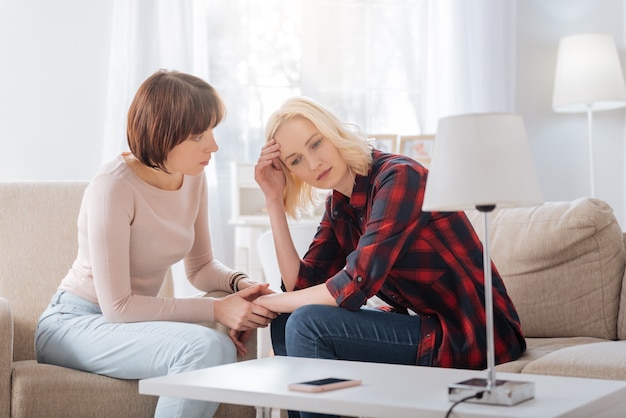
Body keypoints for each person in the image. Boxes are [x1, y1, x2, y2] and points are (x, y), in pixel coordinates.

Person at [253, 97, 526, 418]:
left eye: (316, 144)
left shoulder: (400, 176)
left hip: (471, 333)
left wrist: (264, 302)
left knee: (305, 322)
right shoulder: (339, 203)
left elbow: (356, 284)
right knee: (288, 319)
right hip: (423, 325)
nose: (313, 164)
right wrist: (274, 200)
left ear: (333, 132)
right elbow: (302, 285)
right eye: (296, 160)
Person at [35, 70, 277, 418]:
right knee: (204, 347)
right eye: (198, 135)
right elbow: (117, 307)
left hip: (130, 323)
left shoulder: (193, 177)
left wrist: (242, 284)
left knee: (219, 349)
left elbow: (200, 269)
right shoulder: (113, 187)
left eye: (212, 130)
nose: (213, 146)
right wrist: (216, 310)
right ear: (162, 135)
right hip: (74, 324)